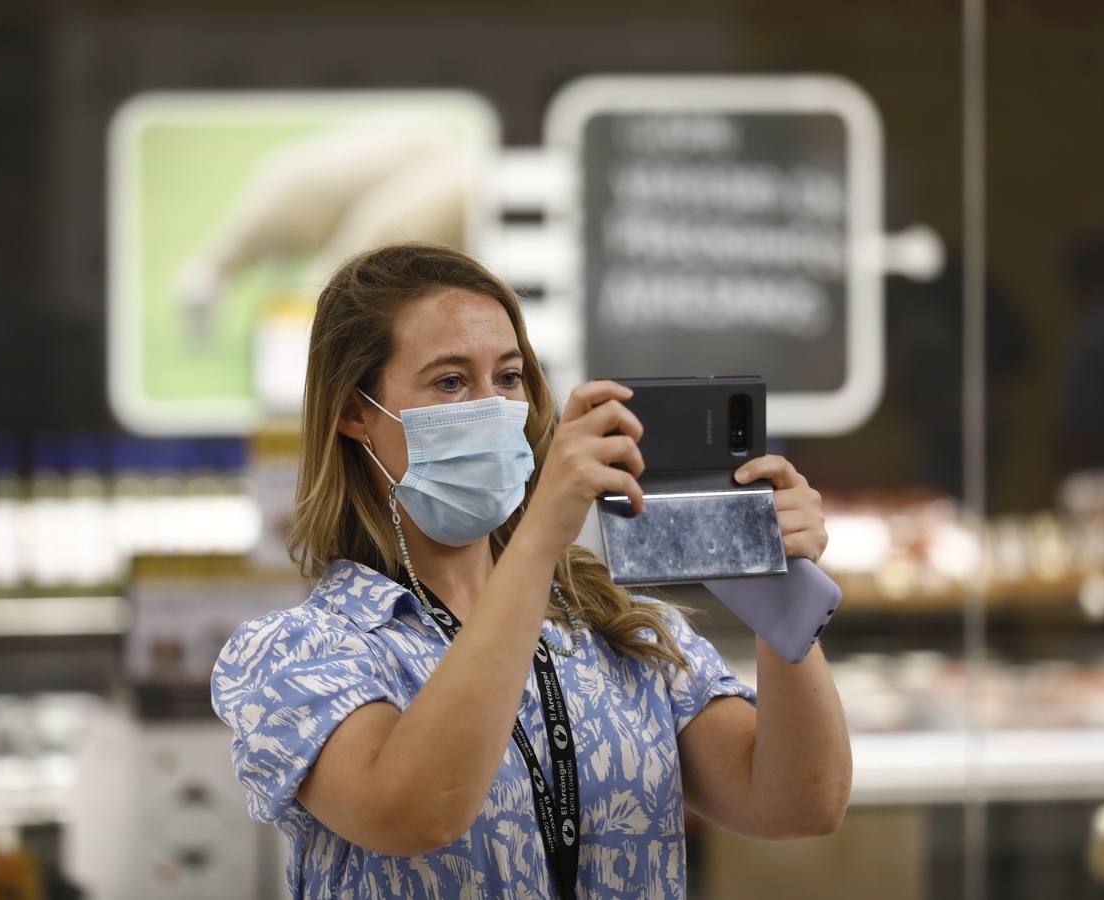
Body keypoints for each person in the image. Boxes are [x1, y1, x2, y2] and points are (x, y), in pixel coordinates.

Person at [211, 243, 851, 898]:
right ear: (354, 413)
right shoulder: (295, 654)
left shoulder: (617, 627)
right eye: (451, 381)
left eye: (509, 378)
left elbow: (801, 802)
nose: (493, 407)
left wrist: (782, 597)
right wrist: (540, 536)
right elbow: (414, 812)